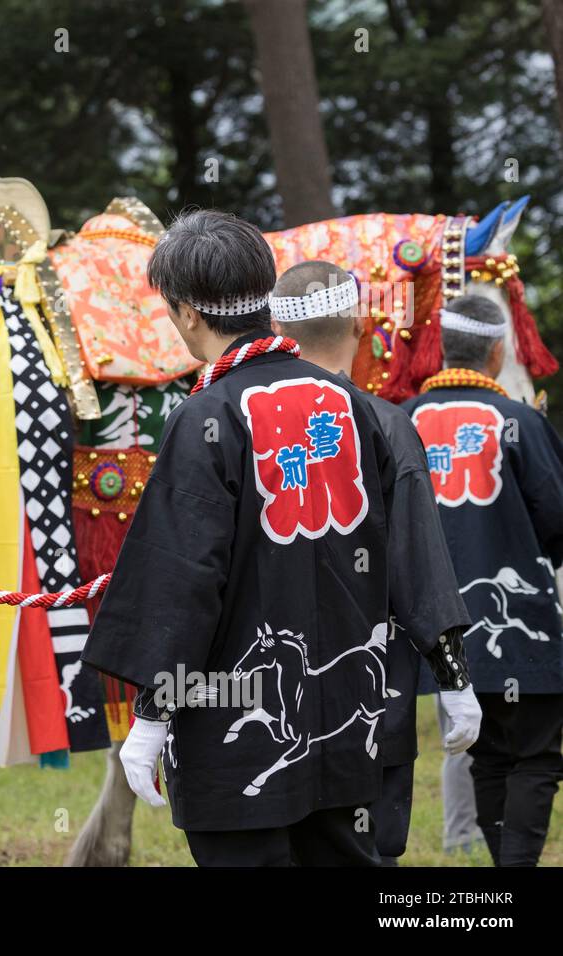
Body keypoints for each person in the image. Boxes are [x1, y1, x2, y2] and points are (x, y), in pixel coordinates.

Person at [82, 210, 398, 866]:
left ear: (188, 313)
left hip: (239, 719)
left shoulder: (206, 416)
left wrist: (150, 714)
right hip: (348, 715)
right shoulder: (356, 407)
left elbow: (182, 578)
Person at [267, 260, 480, 864]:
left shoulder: (230, 420)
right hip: (370, 695)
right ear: (361, 327)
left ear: (278, 325)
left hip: (267, 695)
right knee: (367, 854)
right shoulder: (388, 425)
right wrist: (455, 678)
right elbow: (418, 563)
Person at [403, 294, 563, 866]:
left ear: (444, 348)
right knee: (537, 755)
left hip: (429, 626)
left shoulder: (401, 419)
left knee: (489, 754)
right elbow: (557, 518)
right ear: (497, 352)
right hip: (518, 632)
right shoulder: (519, 420)